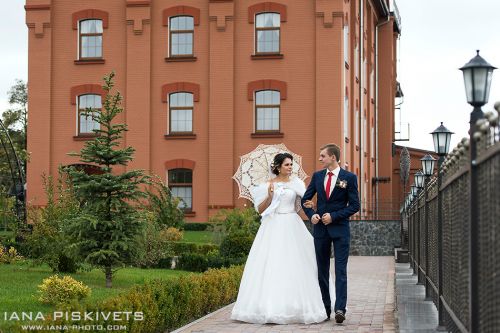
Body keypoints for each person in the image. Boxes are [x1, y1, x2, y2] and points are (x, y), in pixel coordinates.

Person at [231, 153, 329, 324]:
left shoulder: (297, 184)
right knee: (272, 264)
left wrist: (311, 207)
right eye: (286, 165)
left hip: (292, 223)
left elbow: (301, 205)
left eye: (291, 164)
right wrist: (269, 196)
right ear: (277, 167)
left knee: (298, 263)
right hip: (273, 225)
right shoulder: (266, 185)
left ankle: (301, 305)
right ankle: (269, 307)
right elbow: (260, 210)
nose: (290, 167)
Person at [301, 143, 360, 324]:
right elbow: (305, 199)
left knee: (340, 271)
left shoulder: (349, 177)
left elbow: (355, 206)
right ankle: (325, 309)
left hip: (340, 230)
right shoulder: (317, 176)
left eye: (323, 156)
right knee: (322, 271)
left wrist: (333, 217)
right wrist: (312, 215)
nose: (320, 159)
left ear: (333, 157)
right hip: (320, 231)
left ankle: (340, 309)